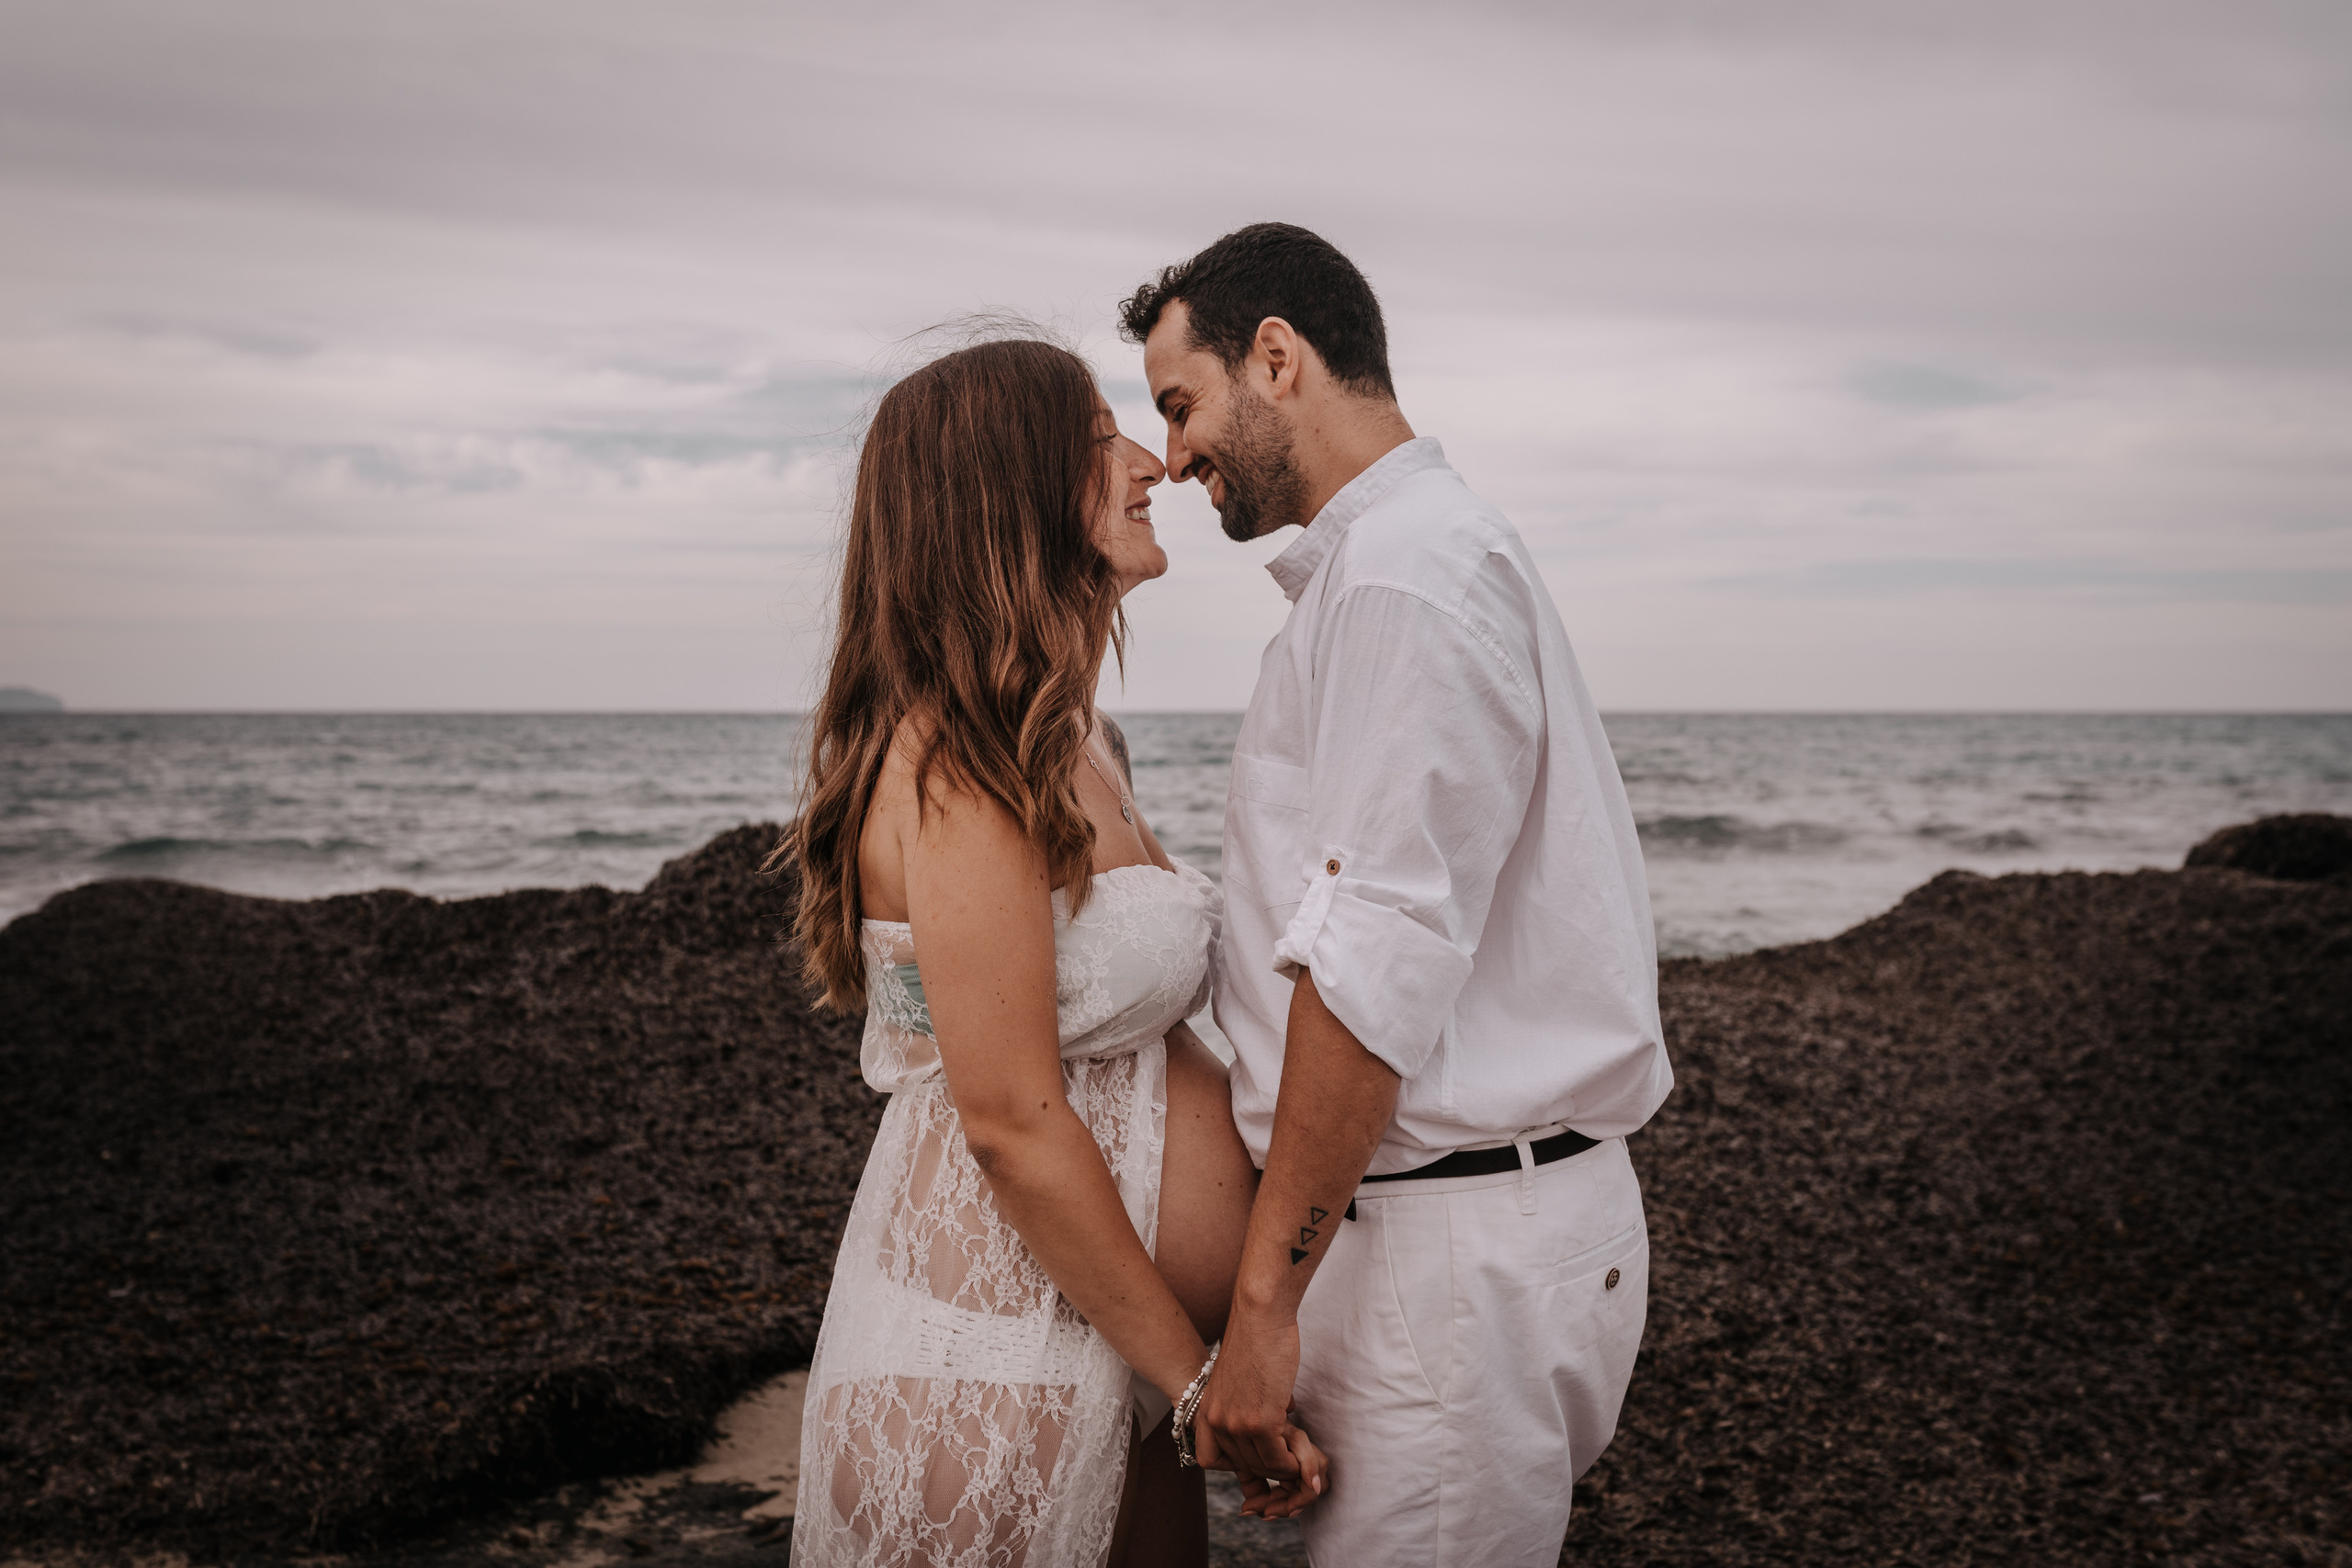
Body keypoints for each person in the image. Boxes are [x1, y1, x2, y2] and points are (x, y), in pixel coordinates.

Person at [1121, 224, 1675, 1565]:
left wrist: (1262, 1313)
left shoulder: (1403, 577)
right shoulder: (1411, 562)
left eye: (1181, 405)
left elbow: (1370, 973)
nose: (1174, 455)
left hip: (1452, 1253)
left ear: (1278, 357)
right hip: (1469, 1242)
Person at [783, 335, 1327, 1568]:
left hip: (1096, 1348)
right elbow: (1009, 1122)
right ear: (1011, 495)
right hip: (989, 1355)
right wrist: (1199, 1389)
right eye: (1100, 440)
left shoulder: (1073, 743)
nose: (1151, 464)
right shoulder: (959, 768)